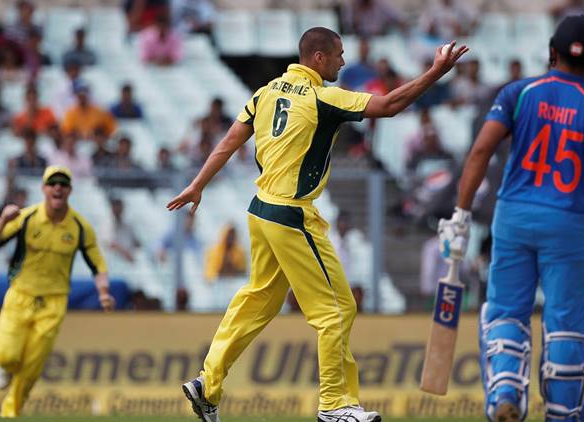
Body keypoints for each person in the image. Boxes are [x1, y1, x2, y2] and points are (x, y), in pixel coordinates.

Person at [166, 27, 467, 422]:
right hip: (291, 214)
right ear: (319, 57)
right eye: (339, 54)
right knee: (336, 308)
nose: (343, 61)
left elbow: (229, 141)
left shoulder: (266, 92)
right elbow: (390, 104)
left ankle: (208, 382)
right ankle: (334, 405)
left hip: (260, 210)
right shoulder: (324, 97)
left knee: (257, 300)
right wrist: (436, 72)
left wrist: (197, 184)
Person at [440, 16, 584, 422]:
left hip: (514, 217)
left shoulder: (519, 93)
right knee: (566, 322)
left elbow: (480, 151)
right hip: (569, 224)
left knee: (505, 312)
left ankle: (505, 390)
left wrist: (460, 215)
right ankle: (562, 414)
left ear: (552, 52)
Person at [0, 165, 114, 417]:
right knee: (8, 356)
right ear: (43, 188)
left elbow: (97, 263)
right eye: (53, 183)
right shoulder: (26, 217)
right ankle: (2, 364)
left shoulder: (79, 227)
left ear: (70, 190)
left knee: (31, 367)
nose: (58, 188)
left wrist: (104, 292)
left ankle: (10, 413)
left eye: (63, 184)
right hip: (20, 296)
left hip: (53, 303)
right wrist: (2, 221)